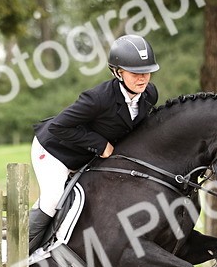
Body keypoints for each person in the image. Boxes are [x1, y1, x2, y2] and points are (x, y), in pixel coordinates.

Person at [28, 34, 160, 250]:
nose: (143, 78)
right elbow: (58, 127)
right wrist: (100, 144)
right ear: (118, 72)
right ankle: (13, 251)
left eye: (147, 72)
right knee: (53, 198)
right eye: (135, 73)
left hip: (85, 155)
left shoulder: (149, 95)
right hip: (54, 150)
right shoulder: (98, 99)